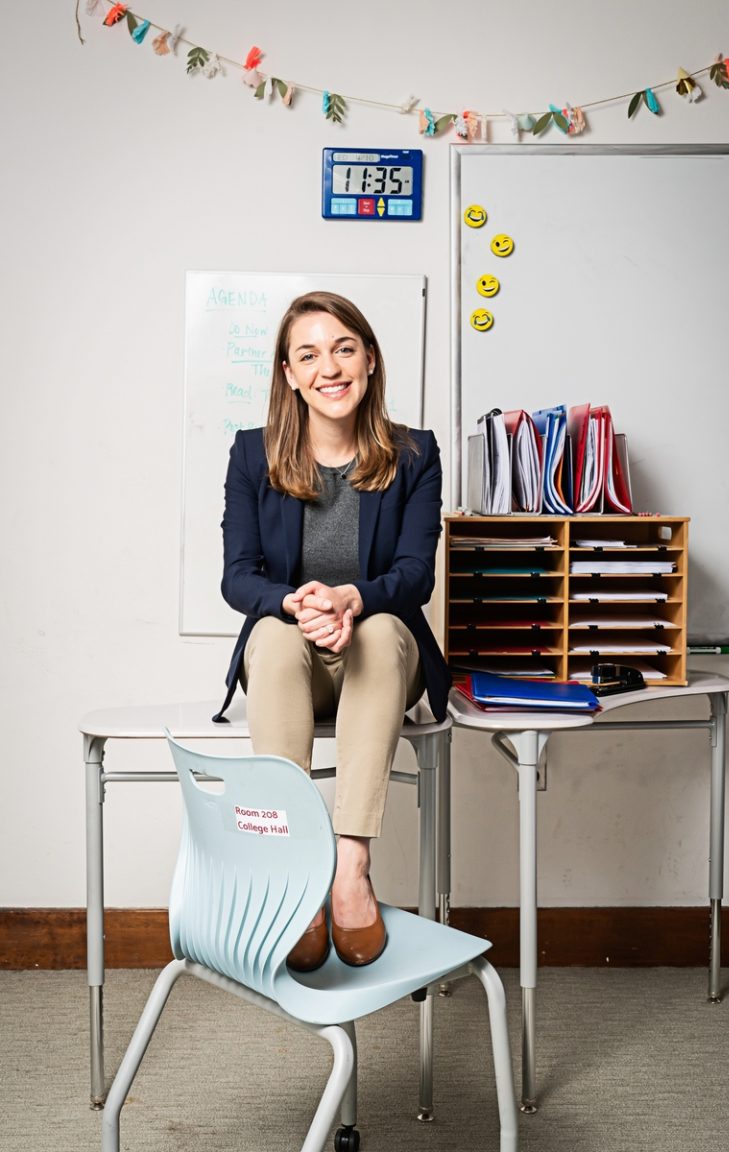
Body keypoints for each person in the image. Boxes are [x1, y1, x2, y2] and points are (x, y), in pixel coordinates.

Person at [214, 291, 451, 971]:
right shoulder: (252, 454)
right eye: (309, 354)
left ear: (369, 359)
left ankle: (350, 868)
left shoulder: (415, 454)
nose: (330, 368)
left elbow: (416, 575)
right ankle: (294, 869)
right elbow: (238, 577)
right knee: (271, 634)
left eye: (344, 348)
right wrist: (294, 603)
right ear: (289, 374)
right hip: (293, 663)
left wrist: (353, 597)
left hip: (380, 663)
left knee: (379, 629)